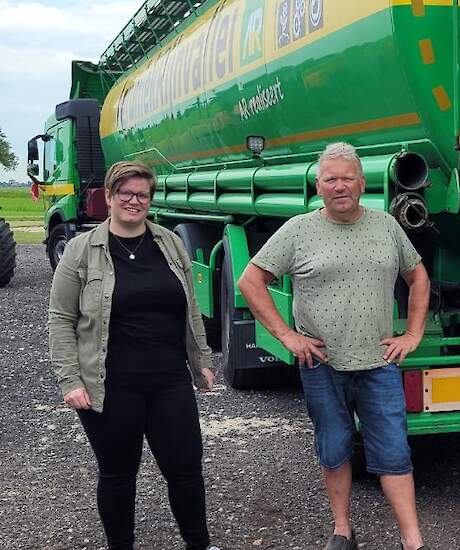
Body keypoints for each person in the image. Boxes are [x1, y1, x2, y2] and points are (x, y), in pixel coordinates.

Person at [238, 142, 430, 550]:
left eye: (347, 178)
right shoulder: (298, 230)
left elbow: (419, 278)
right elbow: (251, 282)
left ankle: (412, 539)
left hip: (379, 362)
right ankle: (342, 530)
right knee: (334, 446)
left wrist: (413, 334)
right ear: (318, 185)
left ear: (362, 183)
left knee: (394, 452)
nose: (339, 186)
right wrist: (287, 336)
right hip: (322, 364)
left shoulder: (387, 226)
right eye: (331, 180)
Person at [48, 161, 220, 550]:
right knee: (118, 475)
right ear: (108, 197)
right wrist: (70, 381)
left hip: (170, 380)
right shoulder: (81, 250)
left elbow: (190, 306)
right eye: (124, 193)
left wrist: (202, 361)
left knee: (186, 471)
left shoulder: (170, 243)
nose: (133, 201)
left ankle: (200, 544)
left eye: (142, 194)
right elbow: (60, 318)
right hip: (109, 385)